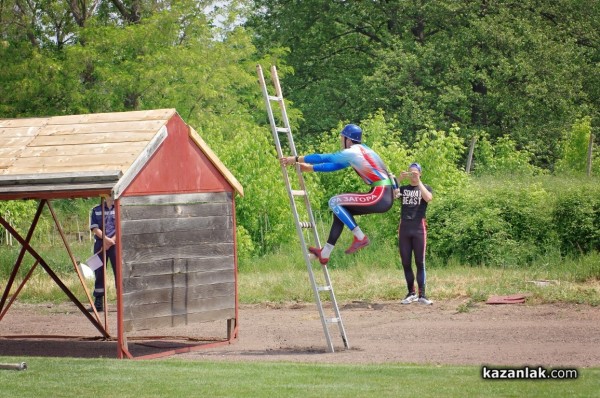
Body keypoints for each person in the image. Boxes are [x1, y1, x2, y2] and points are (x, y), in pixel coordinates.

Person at [280, 124, 396, 265]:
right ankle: (325, 253)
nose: (341, 141)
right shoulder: (362, 150)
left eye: (342, 138)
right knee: (340, 211)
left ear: (348, 139)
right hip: (383, 195)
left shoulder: (353, 151)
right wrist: (311, 168)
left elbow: (326, 158)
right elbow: (335, 166)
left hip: (380, 194)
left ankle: (360, 237)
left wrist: (296, 159)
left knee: (334, 202)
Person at [396, 163, 433, 305]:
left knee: (419, 261)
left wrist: (419, 182)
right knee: (406, 262)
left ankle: (422, 294)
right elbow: (391, 194)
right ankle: (411, 293)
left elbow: (428, 198)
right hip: (404, 227)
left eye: (415, 173)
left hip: (419, 228)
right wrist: (399, 179)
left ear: (420, 174)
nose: (413, 175)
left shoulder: (425, 187)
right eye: (410, 173)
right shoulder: (404, 189)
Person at [88, 196, 117, 312]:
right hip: (100, 243)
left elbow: (122, 227)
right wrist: (106, 240)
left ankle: (122, 302)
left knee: (119, 273)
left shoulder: (120, 208)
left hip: (116, 244)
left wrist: (111, 241)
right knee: (99, 272)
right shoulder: (96, 210)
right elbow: (94, 228)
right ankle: (99, 302)